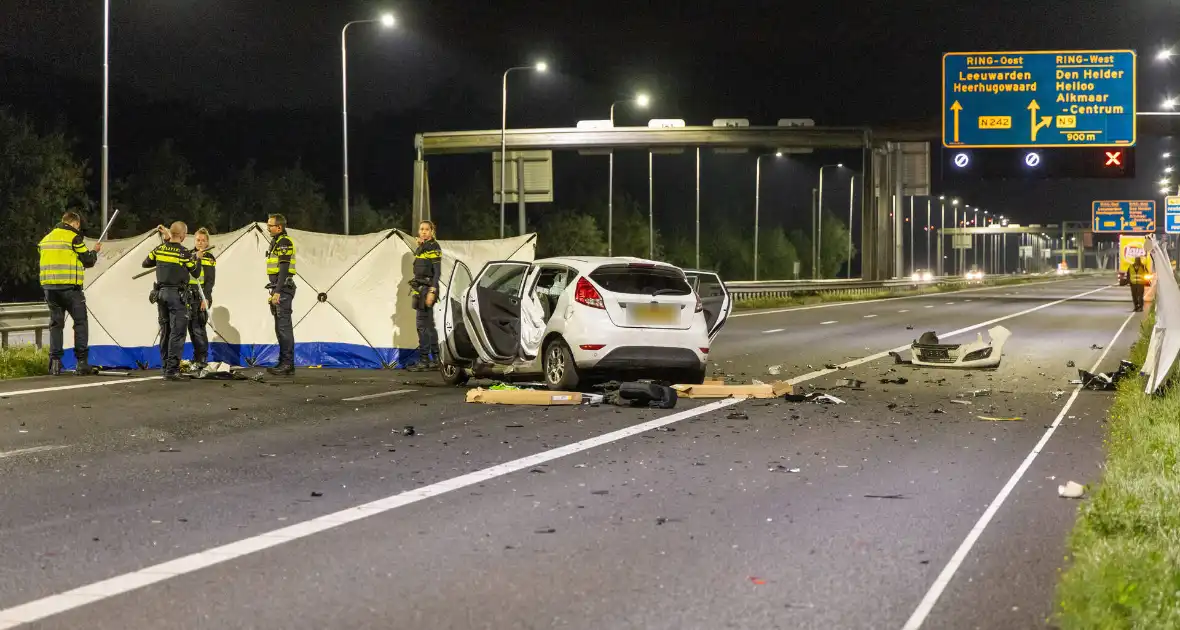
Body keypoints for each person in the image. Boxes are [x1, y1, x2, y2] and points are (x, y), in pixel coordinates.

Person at [38, 211, 101, 375]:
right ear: (76, 223)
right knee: (80, 323)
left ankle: (55, 364)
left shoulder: (46, 239)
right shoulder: (73, 237)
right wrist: (94, 252)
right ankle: (81, 363)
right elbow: (88, 260)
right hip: (70, 289)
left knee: (56, 325)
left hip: (50, 289)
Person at [143, 222, 202, 381]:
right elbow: (195, 273)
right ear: (183, 235)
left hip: (161, 294)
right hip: (177, 296)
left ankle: (165, 367)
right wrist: (198, 259)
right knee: (178, 333)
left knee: (165, 331)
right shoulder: (184, 253)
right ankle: (172, 370)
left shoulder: (160, 249)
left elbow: (146, 263)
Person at [408, 220, 442, 372]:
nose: (423, 232)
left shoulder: (433, 247)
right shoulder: (423, 247)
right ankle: (435, 359)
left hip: (427, 290)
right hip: (420, 289)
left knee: (422, 326)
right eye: (421, 229)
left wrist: (432, 291)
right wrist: (421, 245)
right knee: (428, 325)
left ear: (432, 231)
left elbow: (437, 272)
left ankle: (424, 360)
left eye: (426, 229)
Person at [265, 214, 297, 375]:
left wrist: (277, 291)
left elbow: (284, 268)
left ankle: (287, 364)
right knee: (280, 327)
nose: (268, 227)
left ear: (279, 227)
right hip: (278, 288)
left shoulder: (284, 242)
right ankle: (284, 362)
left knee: (284, 327)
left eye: (270, 225)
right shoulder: (276, 241)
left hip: (283, 289)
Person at [185, 227, 217, 370]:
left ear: (207, 242)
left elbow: (210, 280)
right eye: (198, 240)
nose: (200, 242)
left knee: (198, 329)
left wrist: (207, 298)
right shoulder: (189, 254)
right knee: (191, 329)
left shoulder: (208, 257)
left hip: (201, 295)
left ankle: (202, 359)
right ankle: (196, 357)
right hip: (188, 295)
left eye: (203, 240)